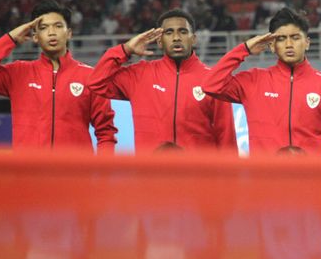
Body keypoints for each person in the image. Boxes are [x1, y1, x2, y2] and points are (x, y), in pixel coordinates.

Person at [202, 7, 321, 155]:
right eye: (281, 39)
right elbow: (210, 84)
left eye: (295, 37)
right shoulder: (253, 80)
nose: (289, 44)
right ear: (272, 46)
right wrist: (244, 49)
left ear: (307, 42)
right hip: (267, 179)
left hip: (313, 179)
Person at [88, 9, 236, 153]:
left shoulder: (213, 80)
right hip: (150, 175)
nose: (176, 37)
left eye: (183, 32)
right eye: (169, 32)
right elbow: (96, 82)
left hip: (197, 176)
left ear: (194, 39)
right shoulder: (139, 74)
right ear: (159, 41)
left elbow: (226, 137)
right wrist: (125, 49)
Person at [0, 0, 117, 151]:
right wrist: (10, 39)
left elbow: (106, 132)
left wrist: (103, 173)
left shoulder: (91, 77)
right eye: (43, 27)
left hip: (74, 174)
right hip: (28, 173)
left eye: (58, 26)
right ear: (35, 36)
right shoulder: (18, 73)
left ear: (69, 33)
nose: (51, 33)